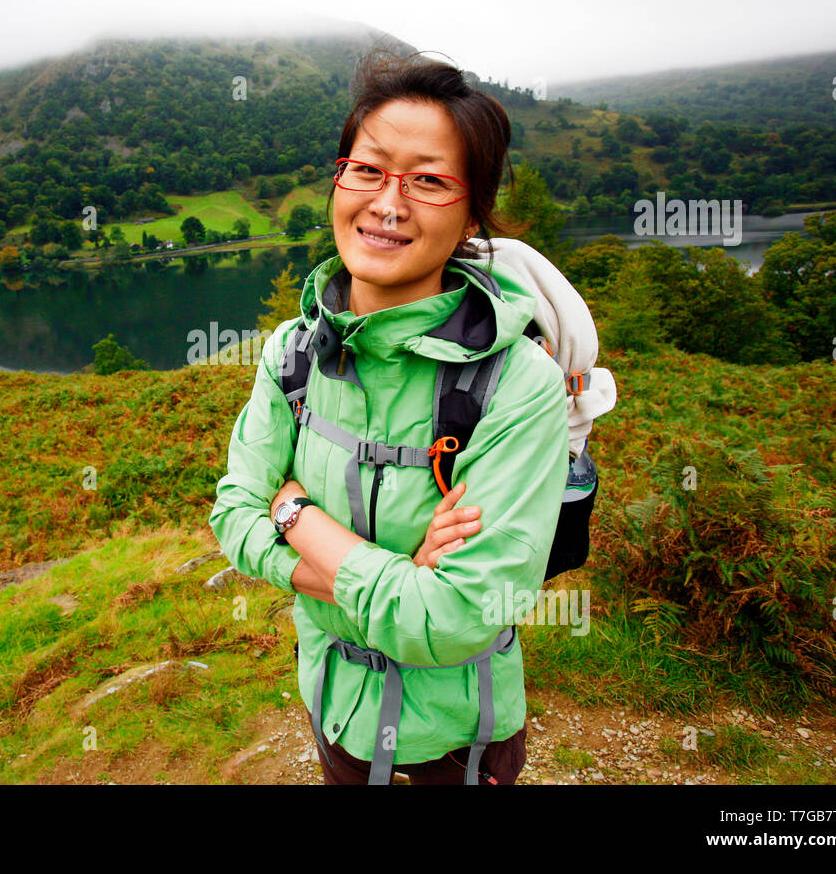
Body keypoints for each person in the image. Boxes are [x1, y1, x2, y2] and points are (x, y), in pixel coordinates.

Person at [208, 49, 569, 784]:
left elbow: (459, 617)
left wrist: (295, 515)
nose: (388, 203)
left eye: (429, 181)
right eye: (367, 170)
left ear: (471, 212)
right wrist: (399, 575)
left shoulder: (515, 382)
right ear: (340, 180)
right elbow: (229, 516)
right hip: (336, 702)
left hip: (462, 735)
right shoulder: (292, 352)